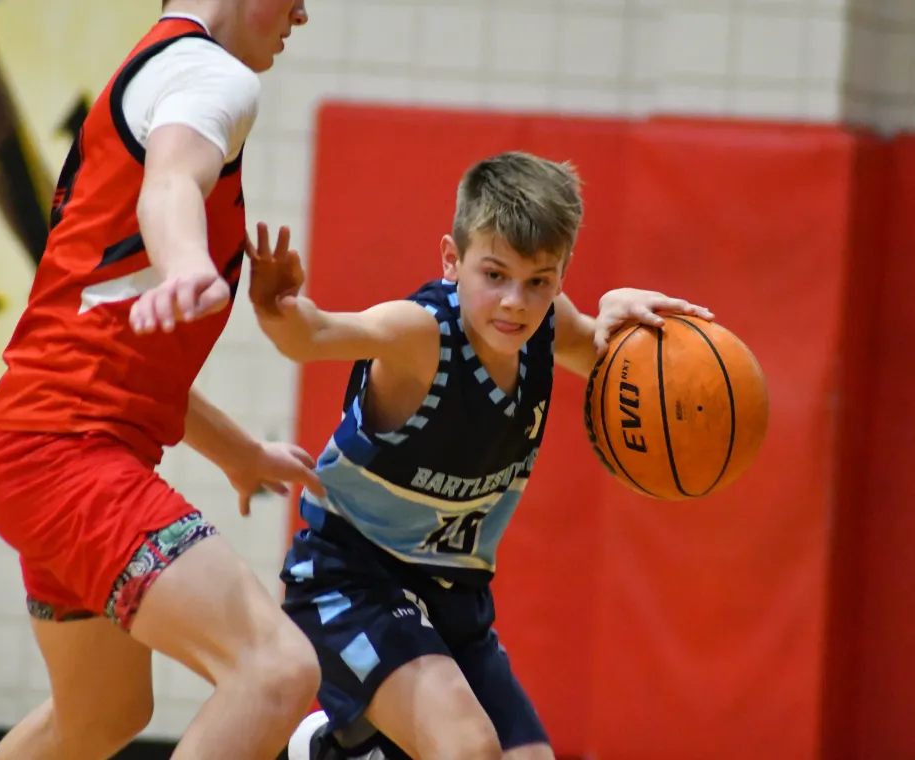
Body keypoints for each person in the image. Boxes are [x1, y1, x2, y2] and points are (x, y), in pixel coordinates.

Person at [246, 152, 714, 760]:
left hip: (453, 596)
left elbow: (612, 362)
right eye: (494, 274)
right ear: (451, 260)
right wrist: (276, 309)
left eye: (539, 281)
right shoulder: (418, 334)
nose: (514, 302)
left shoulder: (547, 328)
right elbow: (315, 336)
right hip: (350, 580)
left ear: (561, 276)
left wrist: (628, 329)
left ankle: (337, 750)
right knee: (466, 750)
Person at [0, 2, 323, 758]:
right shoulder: (210, 74)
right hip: (66, 455)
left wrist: (238, 452)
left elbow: (126, 352)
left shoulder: (159, 68)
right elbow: (169, 186)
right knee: (274, 671)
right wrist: (189, 261)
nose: (303, 9)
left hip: (34, 446)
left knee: (101, 717)